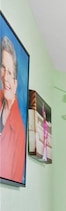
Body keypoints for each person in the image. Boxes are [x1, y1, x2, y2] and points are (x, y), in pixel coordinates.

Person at [0, 35, 26, 183]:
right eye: (3, 68)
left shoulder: (19, 133)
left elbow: (15, 177)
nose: (5, 78)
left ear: (15, 82)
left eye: (10, 73)